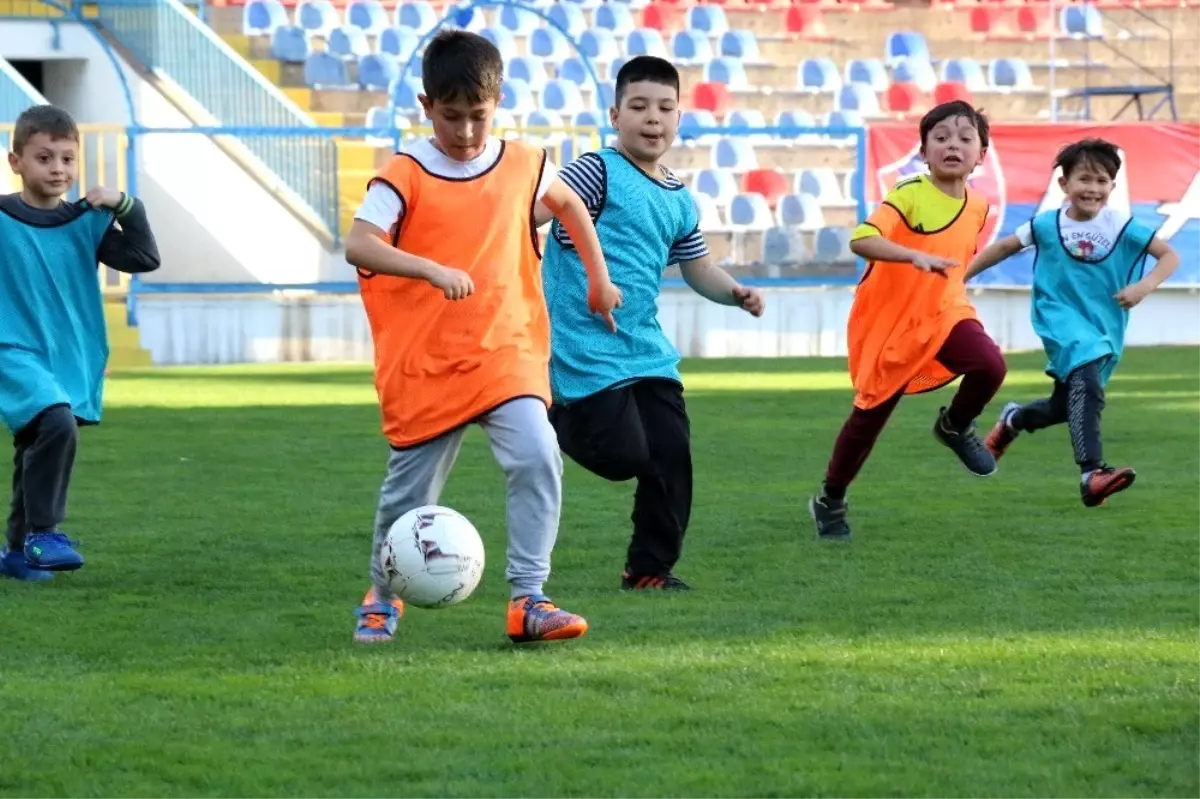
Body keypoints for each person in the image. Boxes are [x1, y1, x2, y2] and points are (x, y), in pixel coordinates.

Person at [343, 30, 622, 644]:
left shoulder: (525, 164)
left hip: (506, 351)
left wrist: (599, 282)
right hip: (428, 363)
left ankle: (529, 599)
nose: (466, 132)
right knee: (408, 496)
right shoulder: (405, 174)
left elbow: (572, 207)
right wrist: (428, 268)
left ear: (497, 104)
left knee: (537, 455)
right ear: (425, 107)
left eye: (478, 116)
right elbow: (359, 244)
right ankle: (382, 594)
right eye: (450, 117)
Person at [538, 55, 764, 590]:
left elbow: (698, 268)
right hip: (582, 344)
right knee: (623, 458)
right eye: (638, 107)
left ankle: (648, 570)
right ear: (616, 114)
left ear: (680, 117)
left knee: (670, 455)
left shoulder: (679, 198)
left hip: (645, 347)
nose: (652, 118)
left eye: (664, 107)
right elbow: (537, 212)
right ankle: (545, 410)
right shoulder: (594, 170)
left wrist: (734, 292)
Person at [808, 100, 1008, 541]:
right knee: (868, 421)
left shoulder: (979, 206)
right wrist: (912, 255)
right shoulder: (909, 194)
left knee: (990, 365)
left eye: (963, 138)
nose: (951, 145)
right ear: (923, 151)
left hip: (946, 313)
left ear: (981, 154)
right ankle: (831, 499)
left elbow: (955, 263)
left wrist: (946, 280)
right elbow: (862, 239)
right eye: (940, 138)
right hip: (893, 325)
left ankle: (955, 425)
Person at [967, 138, 1180, 506]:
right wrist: (959, 278)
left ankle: (1014, 420)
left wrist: (1143, 287)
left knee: (1065, 407)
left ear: (1112, 187)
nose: (1092, 189)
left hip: (1104, 326)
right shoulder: (1046, 225)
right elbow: (1003, 247)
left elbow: (1169, 256)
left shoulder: (1123, 226)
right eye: (1084, 179)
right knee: (1090, 389)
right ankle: (1092, 474)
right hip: (1058, 317)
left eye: (1101, 181)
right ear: (1064, 185)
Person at [0, 104, 161, 581]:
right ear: (16, 162)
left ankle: (14, 553)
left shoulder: (85, 222)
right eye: (44, 158)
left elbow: (143, 257)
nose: (58, 169)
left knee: (37, 438)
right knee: (56, 424)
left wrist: (126, 205)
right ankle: (44, 534)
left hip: (67, 354)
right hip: (12, 351)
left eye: (67, 159)